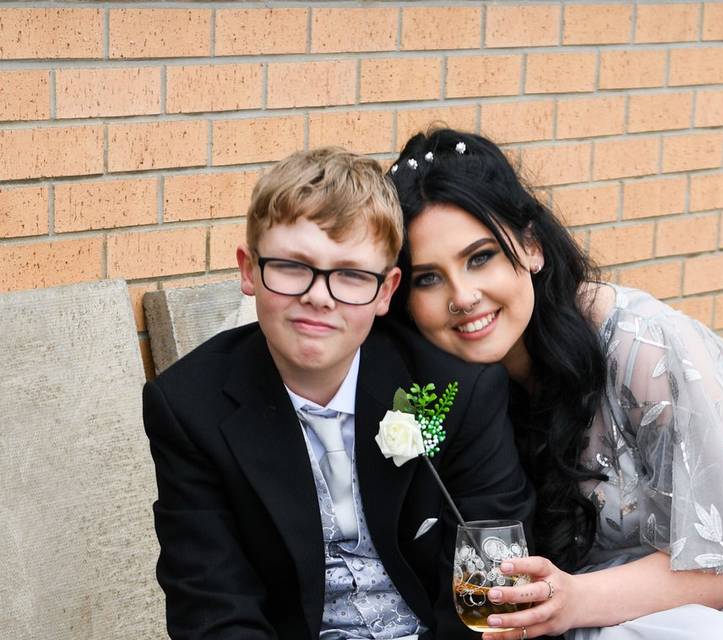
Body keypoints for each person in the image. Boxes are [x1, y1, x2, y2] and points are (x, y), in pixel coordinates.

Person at [387, 129, 723, 640]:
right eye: (429, 278)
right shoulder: (433, 388)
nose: (463, 296)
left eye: (480, 257)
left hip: (719, 591)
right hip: (571, 601)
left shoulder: (642, 347)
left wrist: (576, 599)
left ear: (531, 245)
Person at [142, 147, 535, 640]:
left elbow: (493, 588)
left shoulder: (458, 389)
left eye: (351, 274)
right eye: (291, 266)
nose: (319, 296)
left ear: (387, 290)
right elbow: (213, 609)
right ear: (248, 269)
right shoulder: (188, 407)